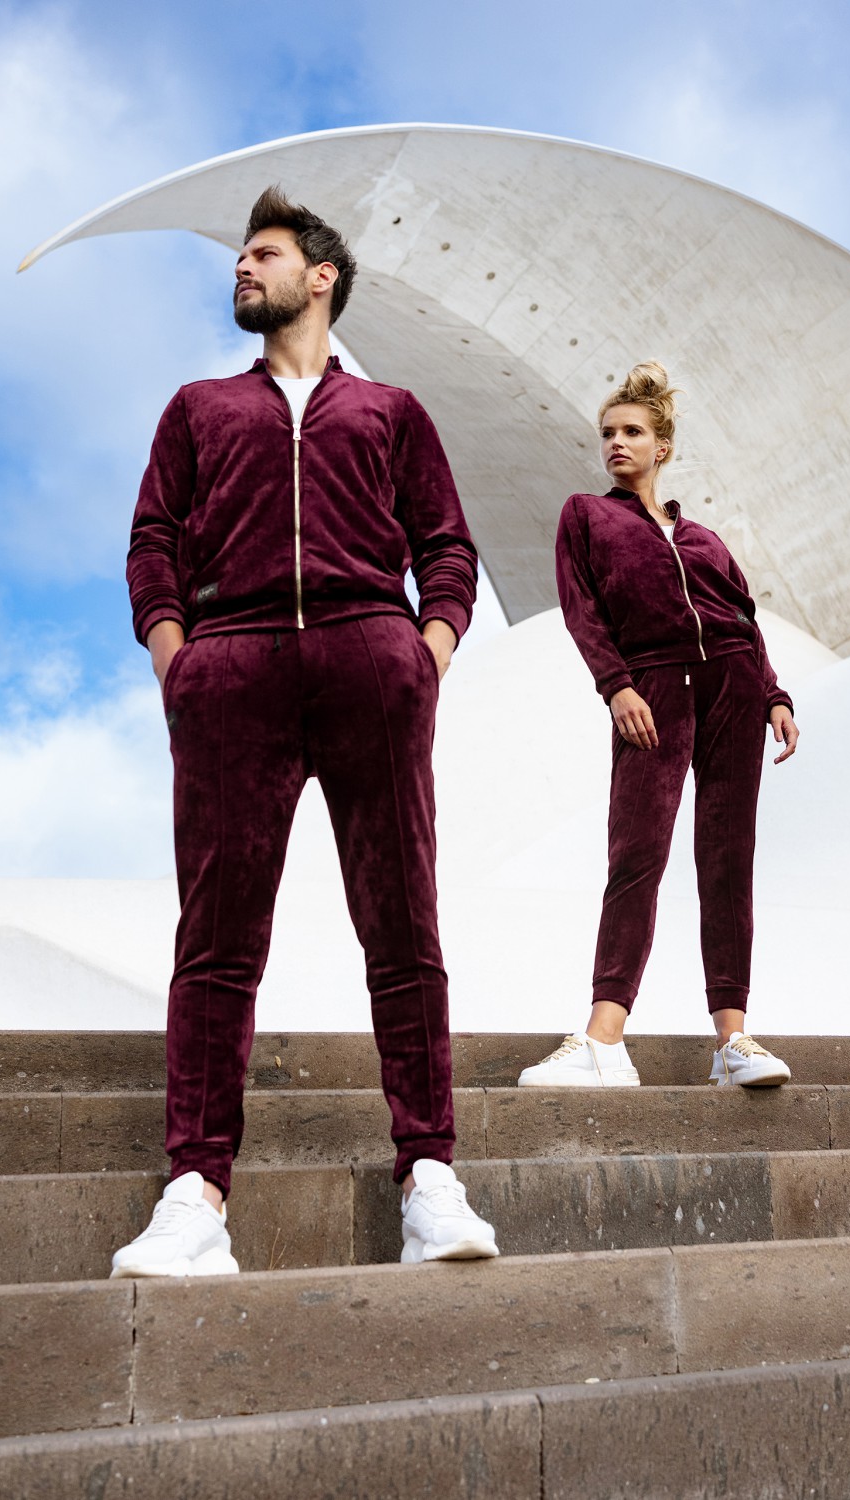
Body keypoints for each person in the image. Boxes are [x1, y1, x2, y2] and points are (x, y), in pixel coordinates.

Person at [111, 186, 498, 1276]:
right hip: (230, 673)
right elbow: (152, 541)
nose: (242, 267)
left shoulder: (392, 411)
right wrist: (176, 658)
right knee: (216, 940)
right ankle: (194, 1195)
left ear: (321, 277)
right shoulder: (198, 408)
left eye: (264, 253)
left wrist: (426, 652)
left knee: (403, 928)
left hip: (370, 662)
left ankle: (430, 1180)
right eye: (239, 255)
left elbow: (448, 545)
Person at [519, 362, 799, 1091]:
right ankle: (604, 1040)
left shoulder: (705, 539)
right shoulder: (587, 515)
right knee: (637, 853)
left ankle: (733, 1042)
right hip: (652, 688)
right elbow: (583, 610)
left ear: (661, 447)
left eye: (632, 432)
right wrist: (616, 685)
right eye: (608, 433)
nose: (616, 442)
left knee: (727, 860)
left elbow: (742, 620)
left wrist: (773, 694)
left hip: (733, 687)